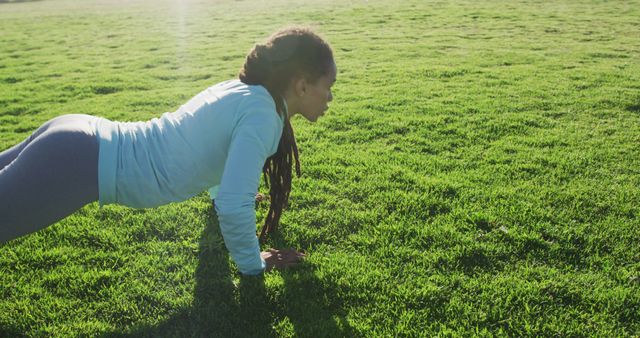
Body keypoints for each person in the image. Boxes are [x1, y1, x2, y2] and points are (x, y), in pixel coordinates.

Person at [0, 26, 337, 275]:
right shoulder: (263, 116)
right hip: (78, 161)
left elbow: (215, 154)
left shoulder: (247, 93)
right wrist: (253, 263)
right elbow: (235, 206)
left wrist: (229, 190)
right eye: (328, 87)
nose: (330, 98)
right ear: (302, 85)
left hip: (76, 138)